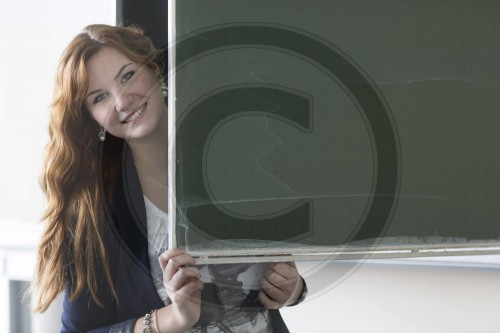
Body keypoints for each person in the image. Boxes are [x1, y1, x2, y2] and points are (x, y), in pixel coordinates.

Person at [31, 24, 307, 333]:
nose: (122, 101)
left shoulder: (233, 157)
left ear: (152, 69)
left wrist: (292, 288)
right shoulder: (94, 212)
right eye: (100, 98)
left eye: (127, 76)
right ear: (92, 118)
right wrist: (172, 319)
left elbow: (280, 266)